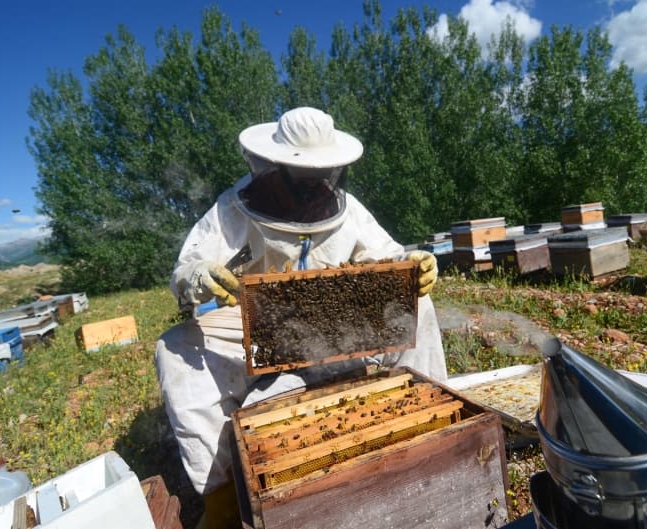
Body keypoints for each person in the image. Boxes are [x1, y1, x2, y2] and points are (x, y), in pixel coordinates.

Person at [155, 107, 447, 529]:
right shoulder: (233, 209)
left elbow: (390, 254)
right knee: (176, 347)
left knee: (420, 308)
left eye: (321, 175)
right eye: (301, 176)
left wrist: (414, 263)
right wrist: (197, 276)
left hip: (340, 331)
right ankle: (221, 498)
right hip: (257, 328)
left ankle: (431, 425)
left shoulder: (349, 210)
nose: (314, 187)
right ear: (272, 167)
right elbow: (189, 266)